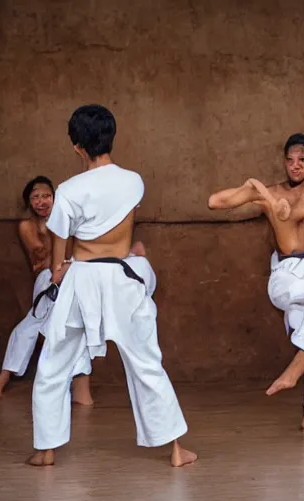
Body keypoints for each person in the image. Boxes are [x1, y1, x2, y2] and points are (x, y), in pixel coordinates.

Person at [29, 104, 195, 467]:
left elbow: (60, 248)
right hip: (121, 275)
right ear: (111, 138)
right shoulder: (133, 180)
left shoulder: (69, 190)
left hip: (83, 276)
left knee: (54, 362)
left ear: (77, 146)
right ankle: (177, 450)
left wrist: (58, 270)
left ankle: (46, 450)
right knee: (146, 360)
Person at [208, 133, 304, 433]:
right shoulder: (270, 190)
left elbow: (296, 212)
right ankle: (293, 372)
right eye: (290, 159)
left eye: (303, 159)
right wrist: (248, 189)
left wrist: (269, 201)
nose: (295, 166)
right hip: (288, 272)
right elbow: (215, 202)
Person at [0, 177, 94, 404]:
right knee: (32, 327)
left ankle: (78, 391)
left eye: (46, 196)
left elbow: (75, 253)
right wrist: (57, 230)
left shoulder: (69, 221)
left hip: (72, 276)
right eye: (35, 197)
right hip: (48, 281)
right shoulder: (28, 226)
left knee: (71, 328)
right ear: (29, 203)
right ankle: (3, 384)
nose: (41, 201)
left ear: (55, 198)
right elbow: (40, 253)